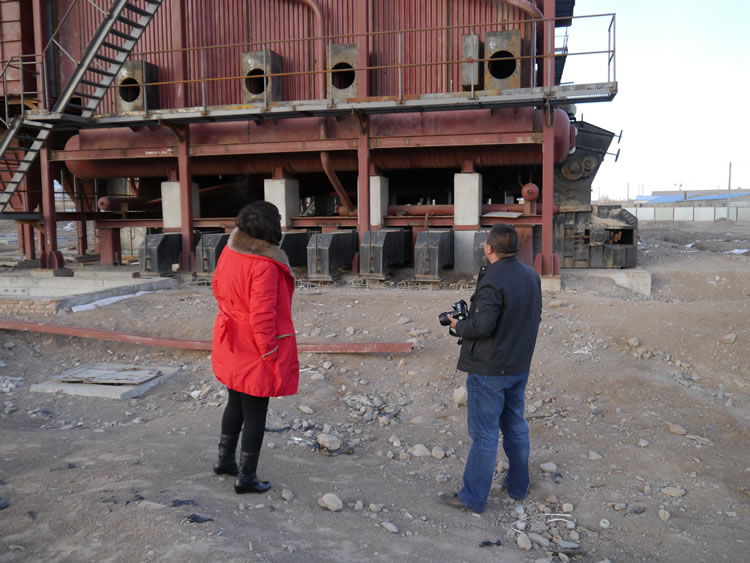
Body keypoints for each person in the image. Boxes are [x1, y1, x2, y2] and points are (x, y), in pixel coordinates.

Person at [439, 223, 542, 513]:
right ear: (515, 247)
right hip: (518, 365)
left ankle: (472, 498)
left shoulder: (492, 279)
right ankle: (518, 486)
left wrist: (458, 325)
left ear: (489, 248)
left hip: (489, 370)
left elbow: (482, 326)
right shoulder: (531, 275)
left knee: (485, 434)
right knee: (515, 426)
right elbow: (533, 317)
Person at [210, 200, 299, 494]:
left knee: (235, 401)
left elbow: (217, 287)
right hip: (254, 346)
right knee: (256, 411)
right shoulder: (265, 265)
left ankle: (225, 461)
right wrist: (270, 352)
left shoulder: (230, 250)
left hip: (231, 340)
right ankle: (246, 478)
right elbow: (262, 316)